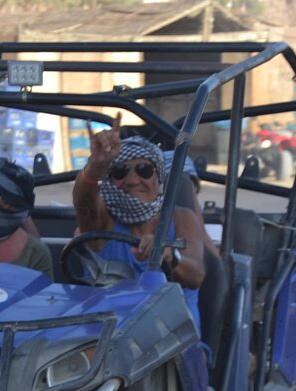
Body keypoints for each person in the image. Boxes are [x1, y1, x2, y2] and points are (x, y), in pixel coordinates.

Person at [72, 114, 207, 323]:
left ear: (158, 178)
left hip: (174, 340)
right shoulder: (101, 223)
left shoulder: (182, 218)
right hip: (108, 340)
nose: (133, 180)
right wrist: (97, 165)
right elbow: (84, 201)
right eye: (120, 171)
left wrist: (168, 254)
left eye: (144, 170)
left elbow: (196, 276)